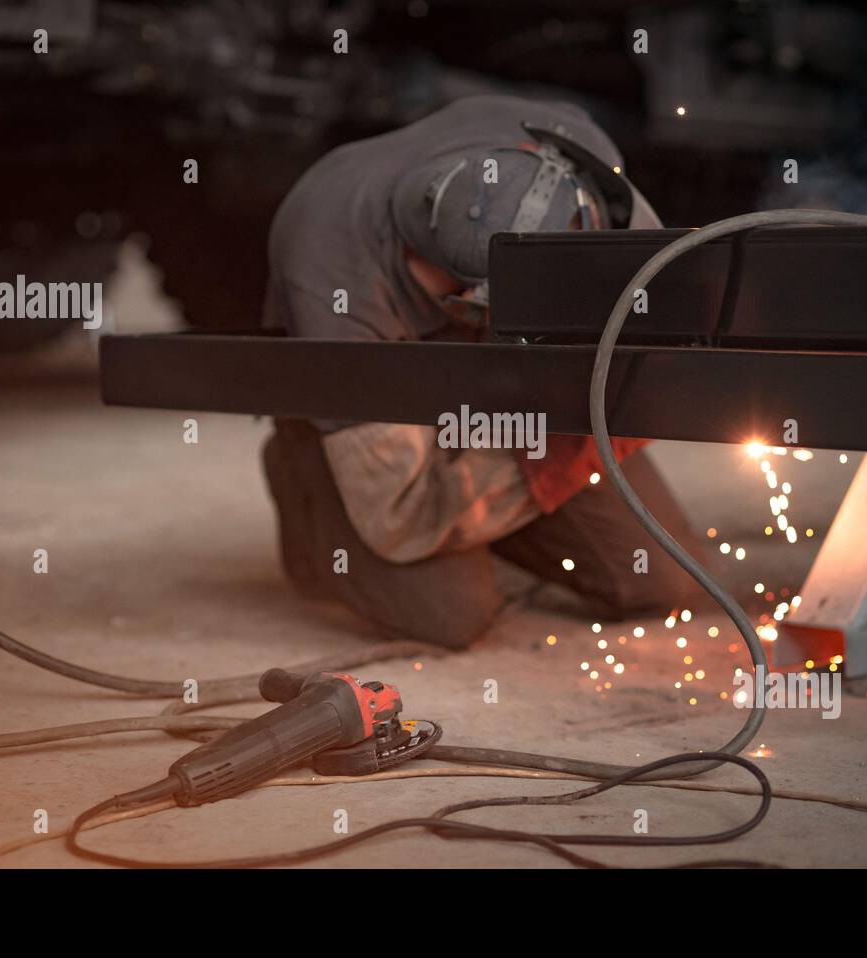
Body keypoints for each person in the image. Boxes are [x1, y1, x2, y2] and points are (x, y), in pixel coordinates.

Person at [261, 95, 705, 648]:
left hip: (505, 388)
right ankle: (303, 478)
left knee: (661, 582)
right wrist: (577, 447)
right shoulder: (334, 276)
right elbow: (400, 517)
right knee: (450, 616)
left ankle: (484, 524)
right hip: (387, 400)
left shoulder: (578, 153)